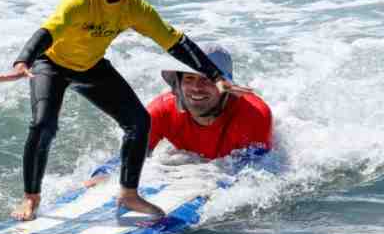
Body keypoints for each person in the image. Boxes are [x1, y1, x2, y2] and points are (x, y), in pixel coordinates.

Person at [0, 0, 251, 221]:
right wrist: (23, 60)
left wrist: (215, 75)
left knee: (139, 122)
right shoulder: (79, 0)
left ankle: (129, 194)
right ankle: (31, 198)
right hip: (51, 64)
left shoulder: (134, 8)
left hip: (90, 66)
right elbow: (48, 31)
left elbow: (174, 41)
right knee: (43, 125)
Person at [86, 44, 272, 185]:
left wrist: (210, 180)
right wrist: (105, 174)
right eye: (189, 78)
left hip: (228, 167)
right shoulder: (161, 111)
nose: (196, 88)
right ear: (178, 84)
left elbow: (254, 174)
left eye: (206, 80)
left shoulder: (254, 115)